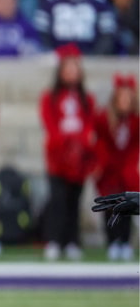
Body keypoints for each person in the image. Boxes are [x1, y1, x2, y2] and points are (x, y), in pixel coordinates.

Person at [39, 43, 96, 261]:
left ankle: (72, 240)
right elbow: (50, 125)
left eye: (75, 67)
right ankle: (53, 240)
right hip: (58, 156)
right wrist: (66, 142)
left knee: (75, 200)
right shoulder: (50, 97)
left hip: (79, 157)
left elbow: (90, 125)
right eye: (67, 67)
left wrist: (80, 144)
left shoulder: (86, 98)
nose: (71, 72)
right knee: (58, 199)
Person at [91, 73, 138, 260]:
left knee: (127, 206)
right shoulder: (105, 119)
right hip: (109, 169)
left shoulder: (136, 121)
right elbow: (98, 141)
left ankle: (125, 241)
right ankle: (112, 241)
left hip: (126, 168)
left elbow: (134, 148)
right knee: (110, 206)